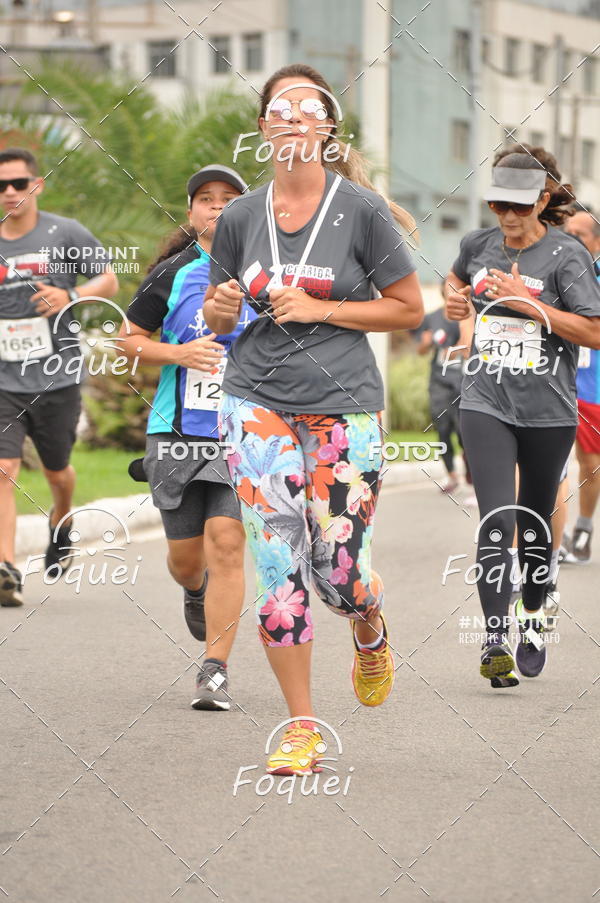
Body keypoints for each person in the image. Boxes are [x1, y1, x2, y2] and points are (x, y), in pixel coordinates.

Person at [203, 63, 423, 773]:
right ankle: (302, 726)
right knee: (278, 565)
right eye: (280, 107)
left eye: (308, 106)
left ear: (328, 127)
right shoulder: (240, 217)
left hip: (342, 405)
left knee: (340, 573)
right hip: (254, 401)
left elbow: (408, 308)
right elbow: (218, 313)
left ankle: (368, 622)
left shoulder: (360, 210)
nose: (293, 116)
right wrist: (220, 309)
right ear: (263, 127)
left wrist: (321, 308)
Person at [446, 144, 600, 688]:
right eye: (498, 205)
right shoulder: (477, 245)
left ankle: (532, 613)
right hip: (485, 401)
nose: (508, 216)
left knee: (534, 524)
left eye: (518, 205)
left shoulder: (567, 256)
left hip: (548, 412)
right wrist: (455, 302)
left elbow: (594, 330)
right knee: (498, 518)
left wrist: (527, 303)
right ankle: (493, 639)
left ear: (542, 200)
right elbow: (455, 279)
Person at [120, 165, 253, 711]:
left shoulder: (265, 271)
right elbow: (128, 340)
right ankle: (195, 590)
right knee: (185, 559)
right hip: (175, 431)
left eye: (229, 198)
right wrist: (178, 352)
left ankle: (215, 670)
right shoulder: (172, 273)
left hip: (243, 432)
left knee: (227, 542)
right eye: (206, 198)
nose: (217, 206)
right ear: (191, 211)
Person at [0, 147, 118, 607]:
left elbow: (108, 280)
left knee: (58, 472)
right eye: (1, 185)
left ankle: (62, 518)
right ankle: (7, 569)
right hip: (4, 378)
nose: (10, 192)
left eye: (19, 183)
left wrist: (70, 294)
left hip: (57, 376)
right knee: (5, 469)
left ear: (37, 185)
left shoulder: (64, 232)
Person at [562, 208, 600, 563]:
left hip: (592, 387)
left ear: (597, 242)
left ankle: (584, 529)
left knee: (590, 463)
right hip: (553, 381)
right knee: (547, 462)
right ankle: (551, 534)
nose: (571, 239)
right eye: (567, 232)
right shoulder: (554, 268)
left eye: (580, 234)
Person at [415, 286, 471, 495]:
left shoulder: (466, 316)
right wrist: (426, 344)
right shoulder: (432, 318)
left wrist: (454, 350)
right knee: (443, 429)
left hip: (462, 380)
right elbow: (421, 350)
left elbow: (468, 345)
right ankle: (452, 476)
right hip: (438, 381)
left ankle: (472, 477)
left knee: (464, 431)